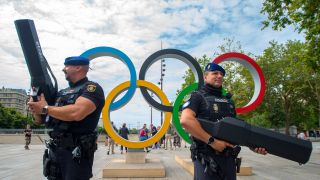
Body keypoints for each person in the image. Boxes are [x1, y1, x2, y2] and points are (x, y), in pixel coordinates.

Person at [180, 63, 267, 180]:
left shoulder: (228, 102)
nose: (219, 76)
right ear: (205, 77)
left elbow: (236, 132)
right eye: (215, 73)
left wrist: (253, 146)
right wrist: (213, 142)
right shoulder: (197, 96)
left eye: (221, 74)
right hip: (206, 161)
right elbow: (186, 120)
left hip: (228, 160)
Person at [28, 56, 105, 180]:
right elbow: (39, 120)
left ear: (78, 67)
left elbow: (77, 113)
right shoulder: (61, 93)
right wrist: (35, 106)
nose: (63, 69)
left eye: (66, 66)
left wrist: (45, 108)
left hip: (75, 154)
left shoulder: (91, 89)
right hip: (54, 152)